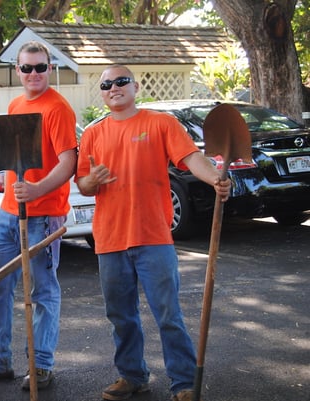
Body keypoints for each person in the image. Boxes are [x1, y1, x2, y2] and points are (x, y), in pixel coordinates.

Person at [75, 65, 231, 401]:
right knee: (120, 315)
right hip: (110, 238)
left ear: (135, 86)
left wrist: (215, 178)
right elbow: (83, 184)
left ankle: (184, 382)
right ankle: (132, 376)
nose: (113, 88)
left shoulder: (160, 124)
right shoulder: (92, 133)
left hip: (154, 237)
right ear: (101, 92)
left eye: (120, 81)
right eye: (106, 84)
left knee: (168, 314)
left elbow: (192, 158)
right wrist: (92, 181)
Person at [0, 41, 77, 391]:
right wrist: (12, 194)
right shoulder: (16, 105)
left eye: (40, 67)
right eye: (27, 68)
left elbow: (68, 162)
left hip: (42, 217)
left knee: (42, 292)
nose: (33, 74)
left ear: (50, 69)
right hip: (8, 214)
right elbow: (15, 159)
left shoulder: (58, 109)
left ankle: (41, 366)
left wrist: (38, 190)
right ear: (18, 70)